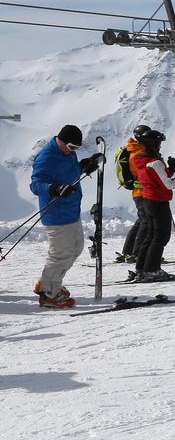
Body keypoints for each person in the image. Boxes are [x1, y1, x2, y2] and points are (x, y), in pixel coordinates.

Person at [28, 124, 103, 308]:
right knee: (60, 255)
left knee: (76, 249)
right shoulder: (46, 157)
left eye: (76, 148)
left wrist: (84, 165)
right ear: (60, 140)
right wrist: (55, 188)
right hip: (56, 214)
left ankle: (49, 282)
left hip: (71, 211)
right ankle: (48, 293)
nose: (73, 151)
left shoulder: (67, 152)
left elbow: (69, 172)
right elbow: (36, 185)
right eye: (71, 147)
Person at [130, 128, 175, 283]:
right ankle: (152, 270)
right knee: (161, 236)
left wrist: (170, 169)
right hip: (158, 202)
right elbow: (168, 184)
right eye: (159, 142)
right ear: (153, 143)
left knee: (151, 235)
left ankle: (141, 269)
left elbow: (157, 178)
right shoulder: (154, 162)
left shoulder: (141, 159)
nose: (160, 145)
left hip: (147, 200)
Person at [115, 123, 150, 264]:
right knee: (146, 222)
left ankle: (129, 252)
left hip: (139, 192)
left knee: (142, 221)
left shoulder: (135, 150)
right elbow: (145, 174)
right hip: (142, 192)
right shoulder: (137, 154)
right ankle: (137, 253)